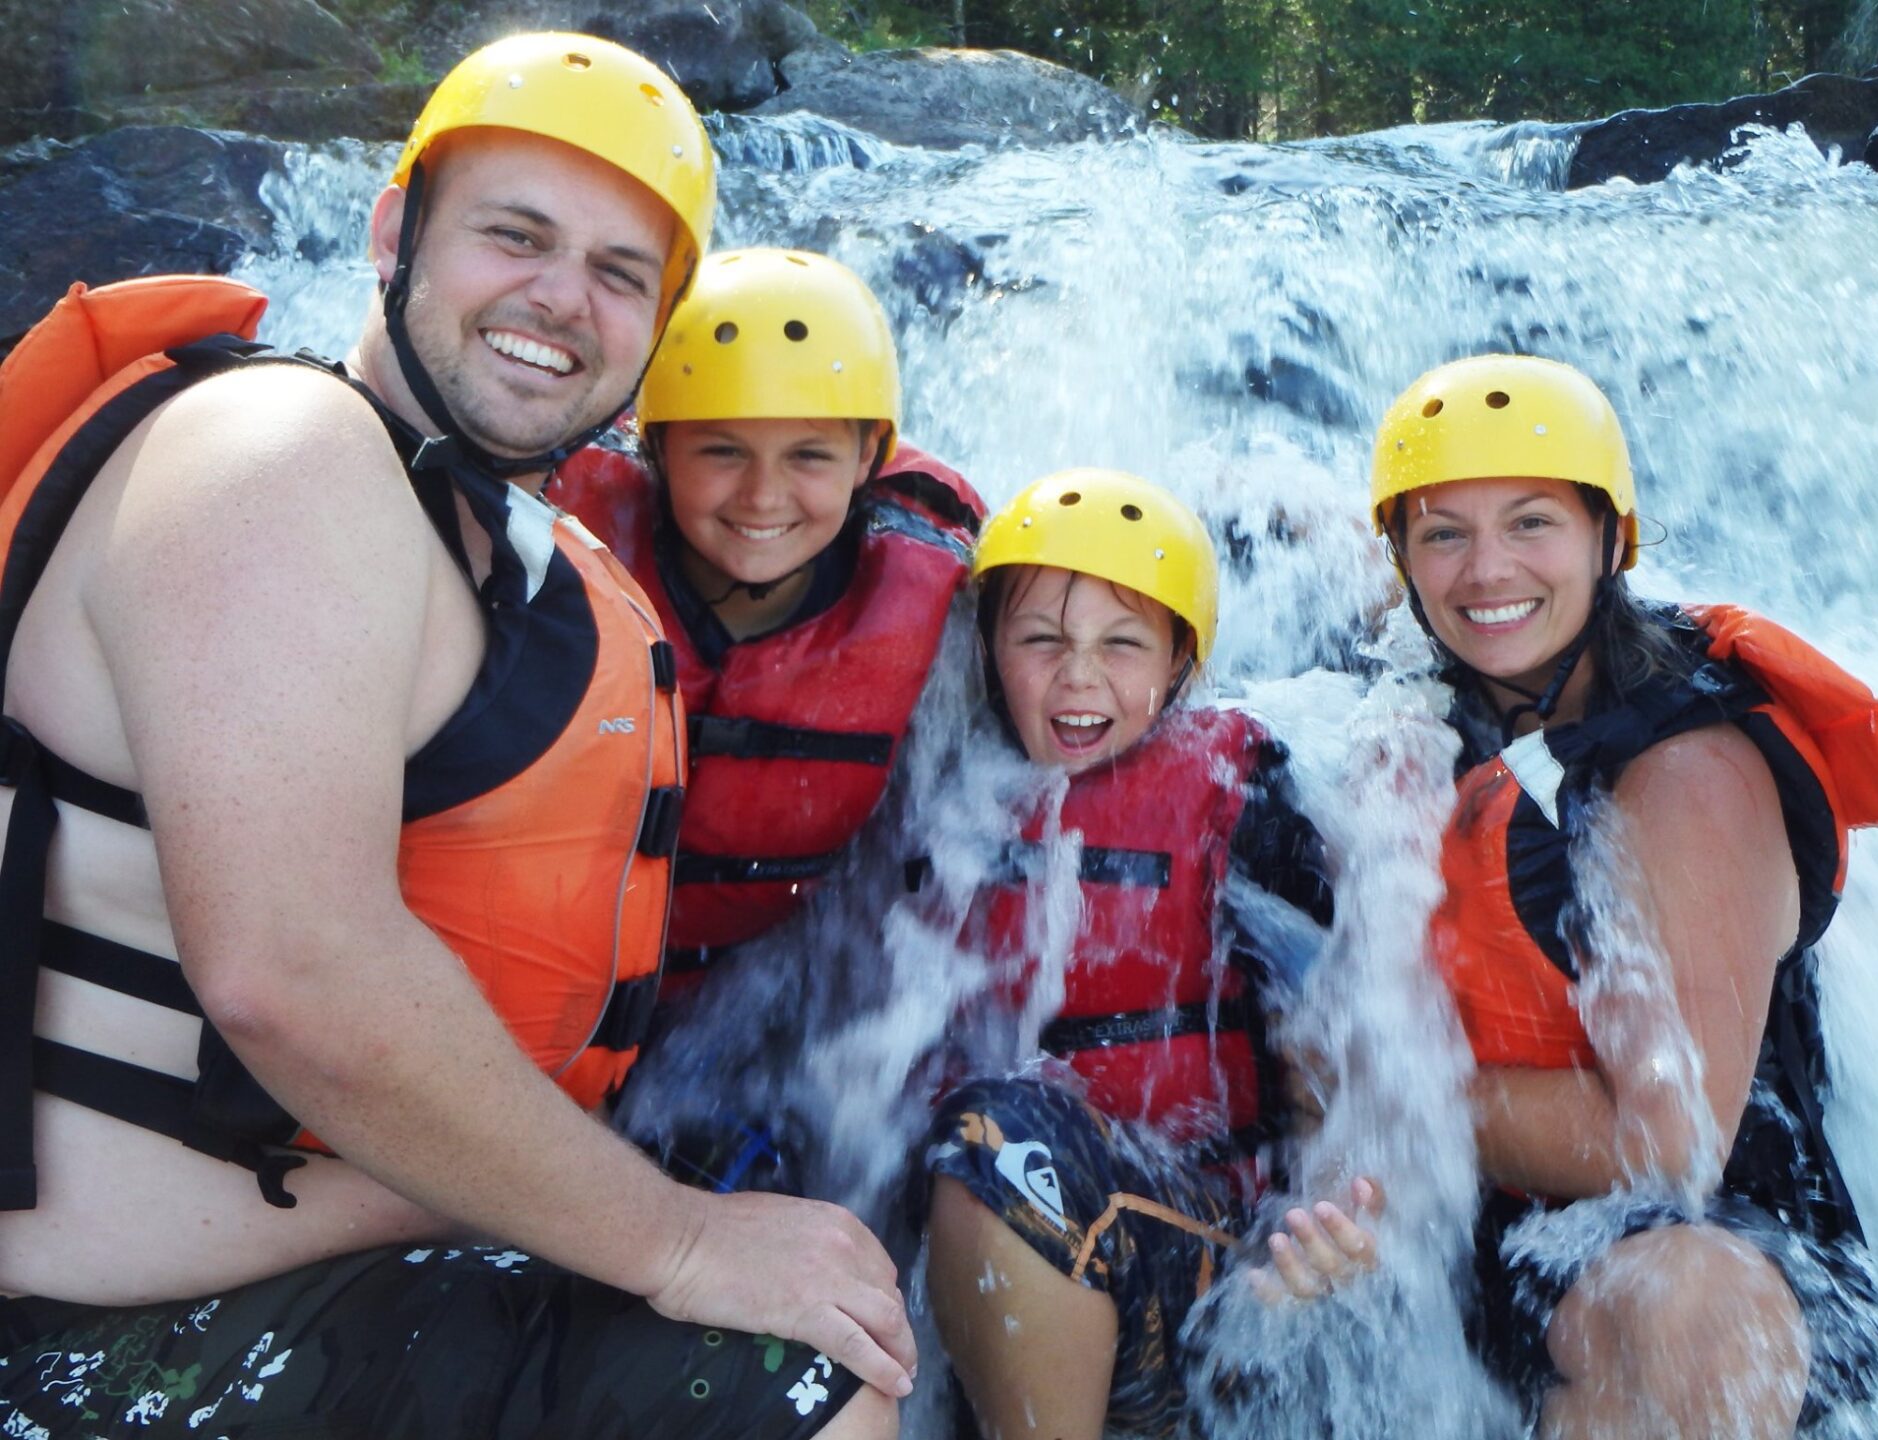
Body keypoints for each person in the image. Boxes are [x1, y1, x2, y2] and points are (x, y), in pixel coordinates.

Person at [0, 34, 912, 1439]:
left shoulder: (469, 529)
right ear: (394, 231)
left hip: (308, 1267)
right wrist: (679, 1241)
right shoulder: (279, 452)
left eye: (622, 274)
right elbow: (295, 974)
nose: (562, 298)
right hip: (90, 1338)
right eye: (516, 235)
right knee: (805, 1387)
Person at [1370, 353, 1878, 1437]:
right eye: (1443, 534)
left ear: (1612, 539)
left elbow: (1671, 1150)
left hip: (1721, 1274)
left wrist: (1381, 1093)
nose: (1486, 572)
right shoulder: (1455, 696)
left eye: (1532, 523)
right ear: (1402, 560)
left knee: (1683, 1307)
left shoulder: (1692, 773)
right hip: (1498, 1249)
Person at [916, 468, 1376, 1440]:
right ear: (989, 647)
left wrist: (1329, 1215)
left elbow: (1327, 1031)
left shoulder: (1238, 791)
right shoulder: (936, 789)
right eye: (1041, 639)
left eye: (1122, 644)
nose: (1078, 677)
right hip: (988, 1231)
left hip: (1201, 1266)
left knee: (1008, 1139)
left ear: (1179, 663)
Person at [548, 246, 984, 1010]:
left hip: (768, 1021)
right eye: (721, 451)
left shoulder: (946, 595)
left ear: (868, 459)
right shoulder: (543, 545)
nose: (762, 495)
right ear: (655, 451)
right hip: (549, 989)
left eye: (808, 455)